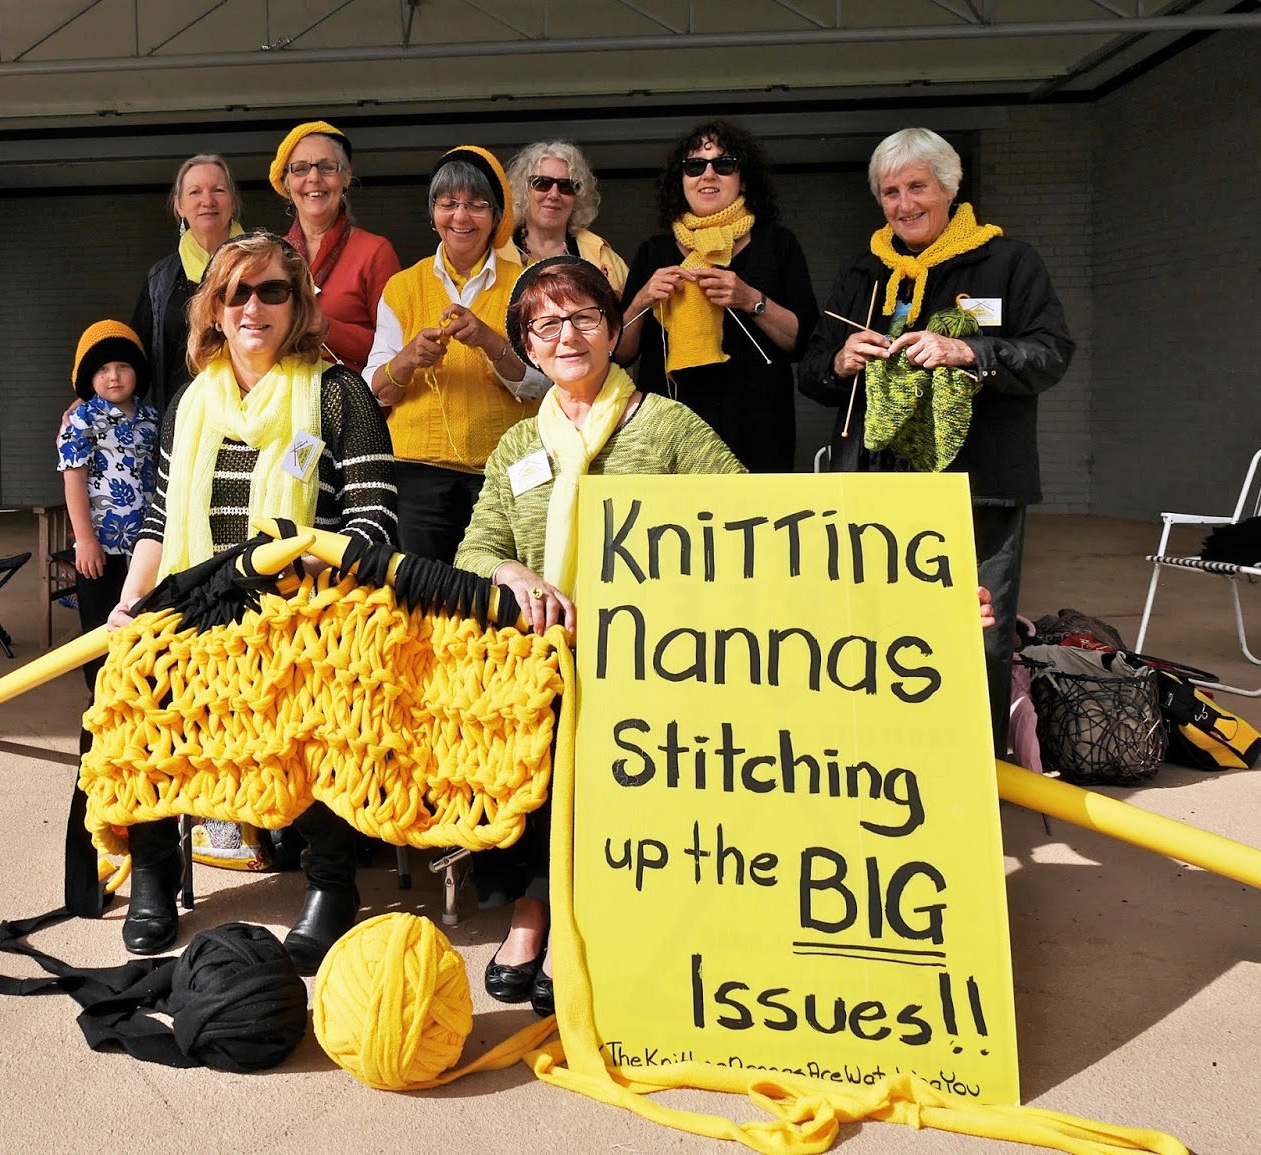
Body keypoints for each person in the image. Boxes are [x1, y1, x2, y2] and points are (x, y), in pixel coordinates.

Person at [453, 256, 747, 1018]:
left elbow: (757, 524)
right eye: (545, 323)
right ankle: (530, 909)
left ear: (615, 329)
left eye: (584, 316)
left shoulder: (667, 424)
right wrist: (514, 573)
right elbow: (473, 550)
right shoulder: (520, 447)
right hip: (541, 662)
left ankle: (580, 919)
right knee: (522, 753)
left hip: (650, 666)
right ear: (528, 344)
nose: (567, 334)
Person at [107, 230, 398, 967]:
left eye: (273, 291)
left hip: (303, 611)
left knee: (327, 694)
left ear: (298, 304)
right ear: (214, 309)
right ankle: (154, 869)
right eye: (237, 292)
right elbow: (154, 520)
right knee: (134, 680)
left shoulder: (340, 393)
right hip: (198, 606)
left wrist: (308, 593)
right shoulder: (189, 403)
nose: (254, 306)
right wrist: (131, 602)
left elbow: (374, 521)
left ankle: (331, 883)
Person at [798, 126, 1075, 755]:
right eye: (890, 192)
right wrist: (839, 360)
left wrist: (968, 350)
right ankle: (874, 755)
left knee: (975, 630)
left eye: (917, 186)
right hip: (871, 487)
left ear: (949, 187)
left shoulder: (1009, 263)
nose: (904, 204)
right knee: (868, 627)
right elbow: (812, 372)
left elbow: (1051, 355)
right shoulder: (864, 274)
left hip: (977, 486)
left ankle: (972, 768)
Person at [365, 145, 550, 563]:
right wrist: (408, 359)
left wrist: (490, 342)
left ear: (498, 218)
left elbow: (546, 385)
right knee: (425, 597)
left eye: (476, 205)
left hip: (506, 470)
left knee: (501, 594)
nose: (461, 217)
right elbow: (374, 390)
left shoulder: (526, 286)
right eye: (448, 204)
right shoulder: (402, 287)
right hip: (416, 472)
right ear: (433, 213)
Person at [617, 119, 817, 473]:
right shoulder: (654, 252)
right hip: (672, 426)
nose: (708, 175)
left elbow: (802, 342)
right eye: (695, 166)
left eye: (724, 165)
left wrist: (750, 298)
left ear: (744, 177)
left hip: (758, 427)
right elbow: (620, 352)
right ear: (682, 181)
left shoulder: (777, 243)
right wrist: (642, 300)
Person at [57, 320, 158, 688]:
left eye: (122, 366)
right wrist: (85, 540)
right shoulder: (82, 421)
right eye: (102, 369)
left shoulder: (152, 418)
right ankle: (99, 700)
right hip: (101, 546)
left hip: (148, 545)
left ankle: (138, 694)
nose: (113, 376)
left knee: (142, 621)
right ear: (88, 377)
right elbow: (74, 480)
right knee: (99, 629)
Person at [268, 120, 401, 374]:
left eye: (328, 167)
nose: (314, 178)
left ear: (346, 178)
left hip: (351, 404)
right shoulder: (270, 255)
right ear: (286, 183)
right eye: (300, 169)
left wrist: (326, 328)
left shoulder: (374, 251)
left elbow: (397, 350)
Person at [129, 154, 245, 416]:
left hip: (250, 422)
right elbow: (134, 358)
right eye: (195, 192)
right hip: (180, 425)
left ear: (233, 201)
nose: (208, 201)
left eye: (218, 190)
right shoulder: (159, 280)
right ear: (179, 205)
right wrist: (94, 400)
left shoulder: (262, 265)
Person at [496, 139, 629, 292]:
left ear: (578, 196)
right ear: (523, 191)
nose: (553, 195)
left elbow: (627, 315)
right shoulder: (495, 253)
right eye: (542, 183)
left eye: (566, 186)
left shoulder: (602, 257)